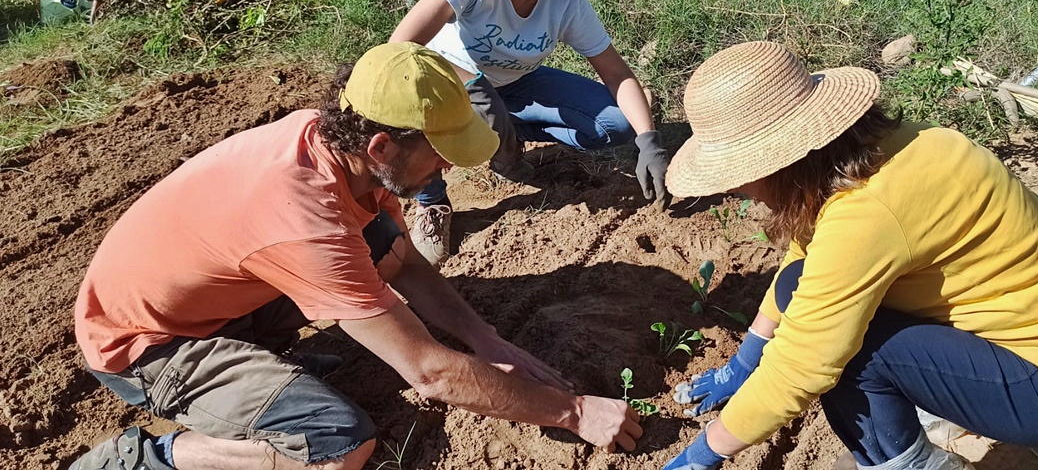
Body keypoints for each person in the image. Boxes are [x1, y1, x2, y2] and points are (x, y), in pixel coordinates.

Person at [68, 43, 642, 470]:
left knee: (375, 246)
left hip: (210, 301)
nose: (446, 168)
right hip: (145, 345)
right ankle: (149, 458)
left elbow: (407, 262)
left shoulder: (338, 150)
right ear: (382, 145)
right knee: (335, 445)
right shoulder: (302, 217)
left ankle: (259, 363)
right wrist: (571, 412)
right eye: (439, 154)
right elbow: (431, 374)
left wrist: (486, 341)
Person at [660, 41, 1038, 470]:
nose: (733, 187)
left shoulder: (868, 213)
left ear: (784, 161)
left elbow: (804, 365)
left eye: (739, 173)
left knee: (853, 352)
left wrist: (702, 453)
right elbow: (808, 258)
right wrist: (745, 361)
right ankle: (940, 402)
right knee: (808, 287)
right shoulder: (894, 148)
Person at [388, 0, 670, 266]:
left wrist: (648, 140)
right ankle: (432, 203)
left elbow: (617, 73)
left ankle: (503, 139)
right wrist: (468, 82)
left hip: (518, 83)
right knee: (406, 112)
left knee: (617, 124)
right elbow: (399, 46)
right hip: (445, 84)